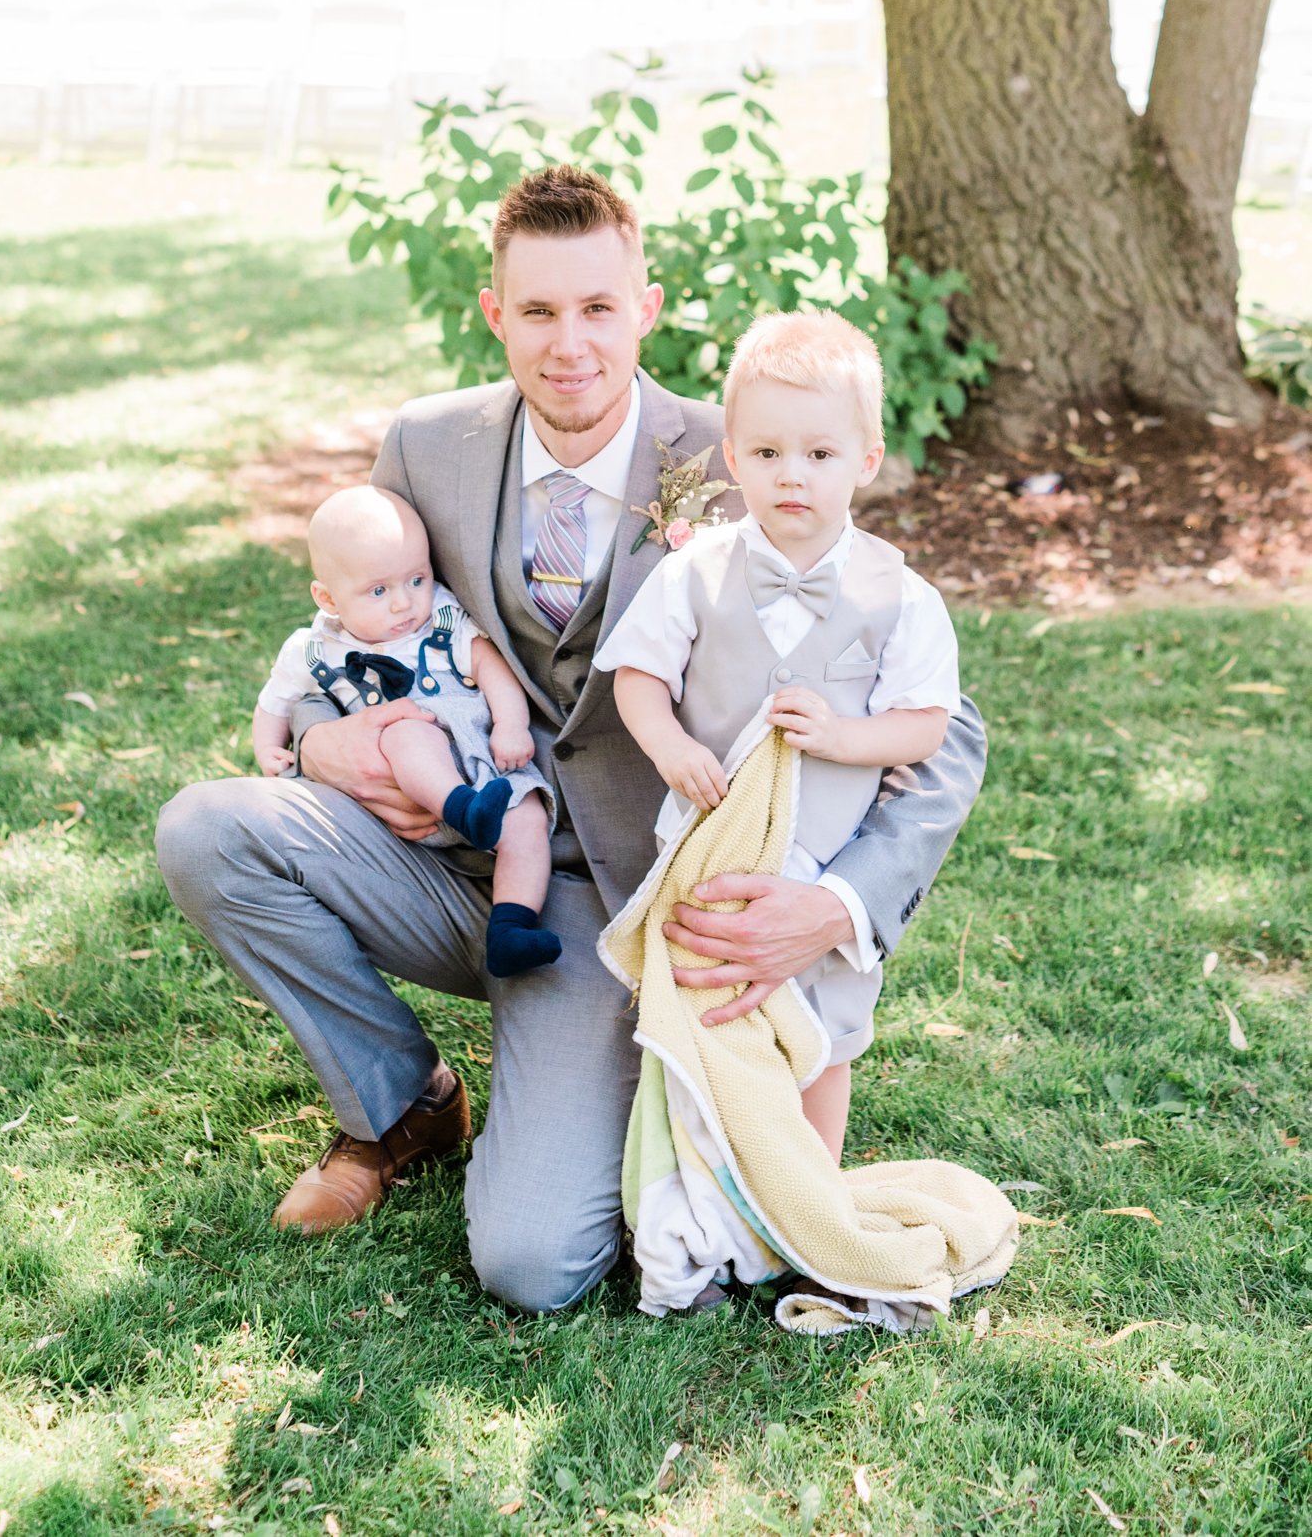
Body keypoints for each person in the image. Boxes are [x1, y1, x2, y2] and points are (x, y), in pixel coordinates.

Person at [154, 164, 987, 1312]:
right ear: (494, 312)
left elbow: (942, 727)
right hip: (452, 856)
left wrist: (839, 909)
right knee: (208, 828)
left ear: (644, 305)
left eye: (597, 308)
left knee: (532, 1264)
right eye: (537, 311)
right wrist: (314, 745)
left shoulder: (748, 451)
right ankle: (400, 1107)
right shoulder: (427, 447)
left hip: (631, 903)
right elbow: (362, 624)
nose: (569, 344)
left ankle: (568, 1065)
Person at [597, 309, 961, 1166]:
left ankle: (808, 1193)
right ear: (733, 458)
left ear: (866, 460)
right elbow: (639, 675)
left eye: (820, 454)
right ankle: (708, 1190)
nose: (791, 475)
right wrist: (668, 746)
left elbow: (926, 724)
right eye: (766, 454)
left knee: (822, 1037)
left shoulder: (901, 596)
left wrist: (842, 734)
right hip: (711, 855)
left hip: (824, 862)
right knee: (707, 1016)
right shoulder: (697, 570)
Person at [252, 485, 560, 978]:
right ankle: (460, 807)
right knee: (405, 730)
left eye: (416, 579)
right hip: (408, 797)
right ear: (327, 598)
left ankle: (511, 928)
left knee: (525, 821)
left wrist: (510, 724)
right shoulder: (314, 650)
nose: (404, 603)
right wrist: (269, 750)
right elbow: (274, 704)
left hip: (486, 769)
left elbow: (489, 666)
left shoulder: (443, 620)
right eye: (379, 591)